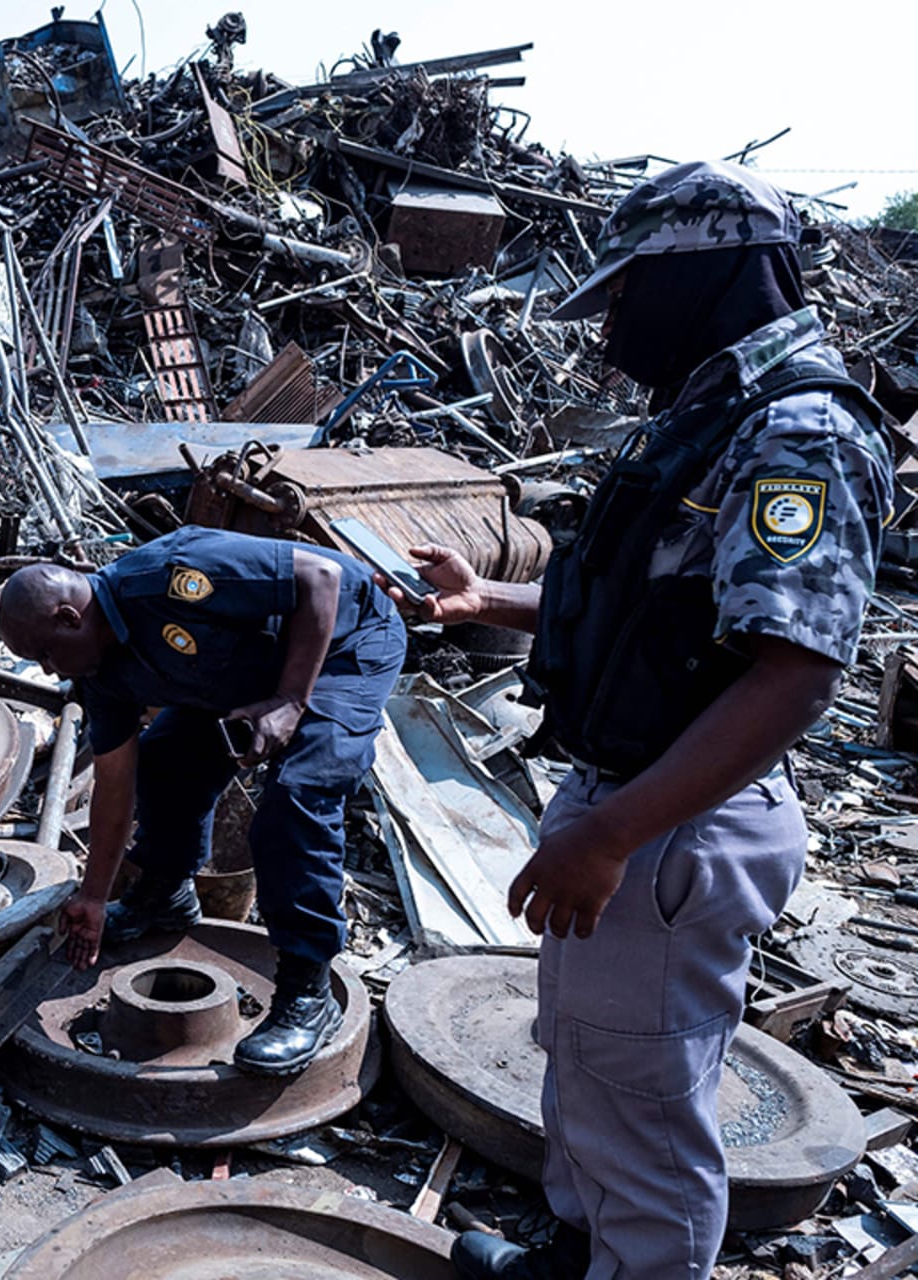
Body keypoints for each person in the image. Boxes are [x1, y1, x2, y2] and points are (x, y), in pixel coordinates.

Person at [389, 162, 893, 1279]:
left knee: (646, 1103)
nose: (609, 327)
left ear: (708, 274)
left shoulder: (799, 431)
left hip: (677, 821)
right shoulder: (714, 413)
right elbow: (653, 605)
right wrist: (487, 598)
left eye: (624, 293)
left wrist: (612, 837)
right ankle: (583, 1253)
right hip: (637, 803)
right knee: (589, 1059)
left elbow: (793, 674)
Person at [0, 526, 406, 1074]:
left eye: (45, 654)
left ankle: (308, 992)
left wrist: (290, 700)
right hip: (248, 670)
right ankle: (164, 894)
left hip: (343, 645)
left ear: (70, 618)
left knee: (296, 798)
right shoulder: (101, 673)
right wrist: (93, 898)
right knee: (165, 759)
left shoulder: (174, 575)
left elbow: (321, 577)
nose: (48, 670)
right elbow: (116, 784)